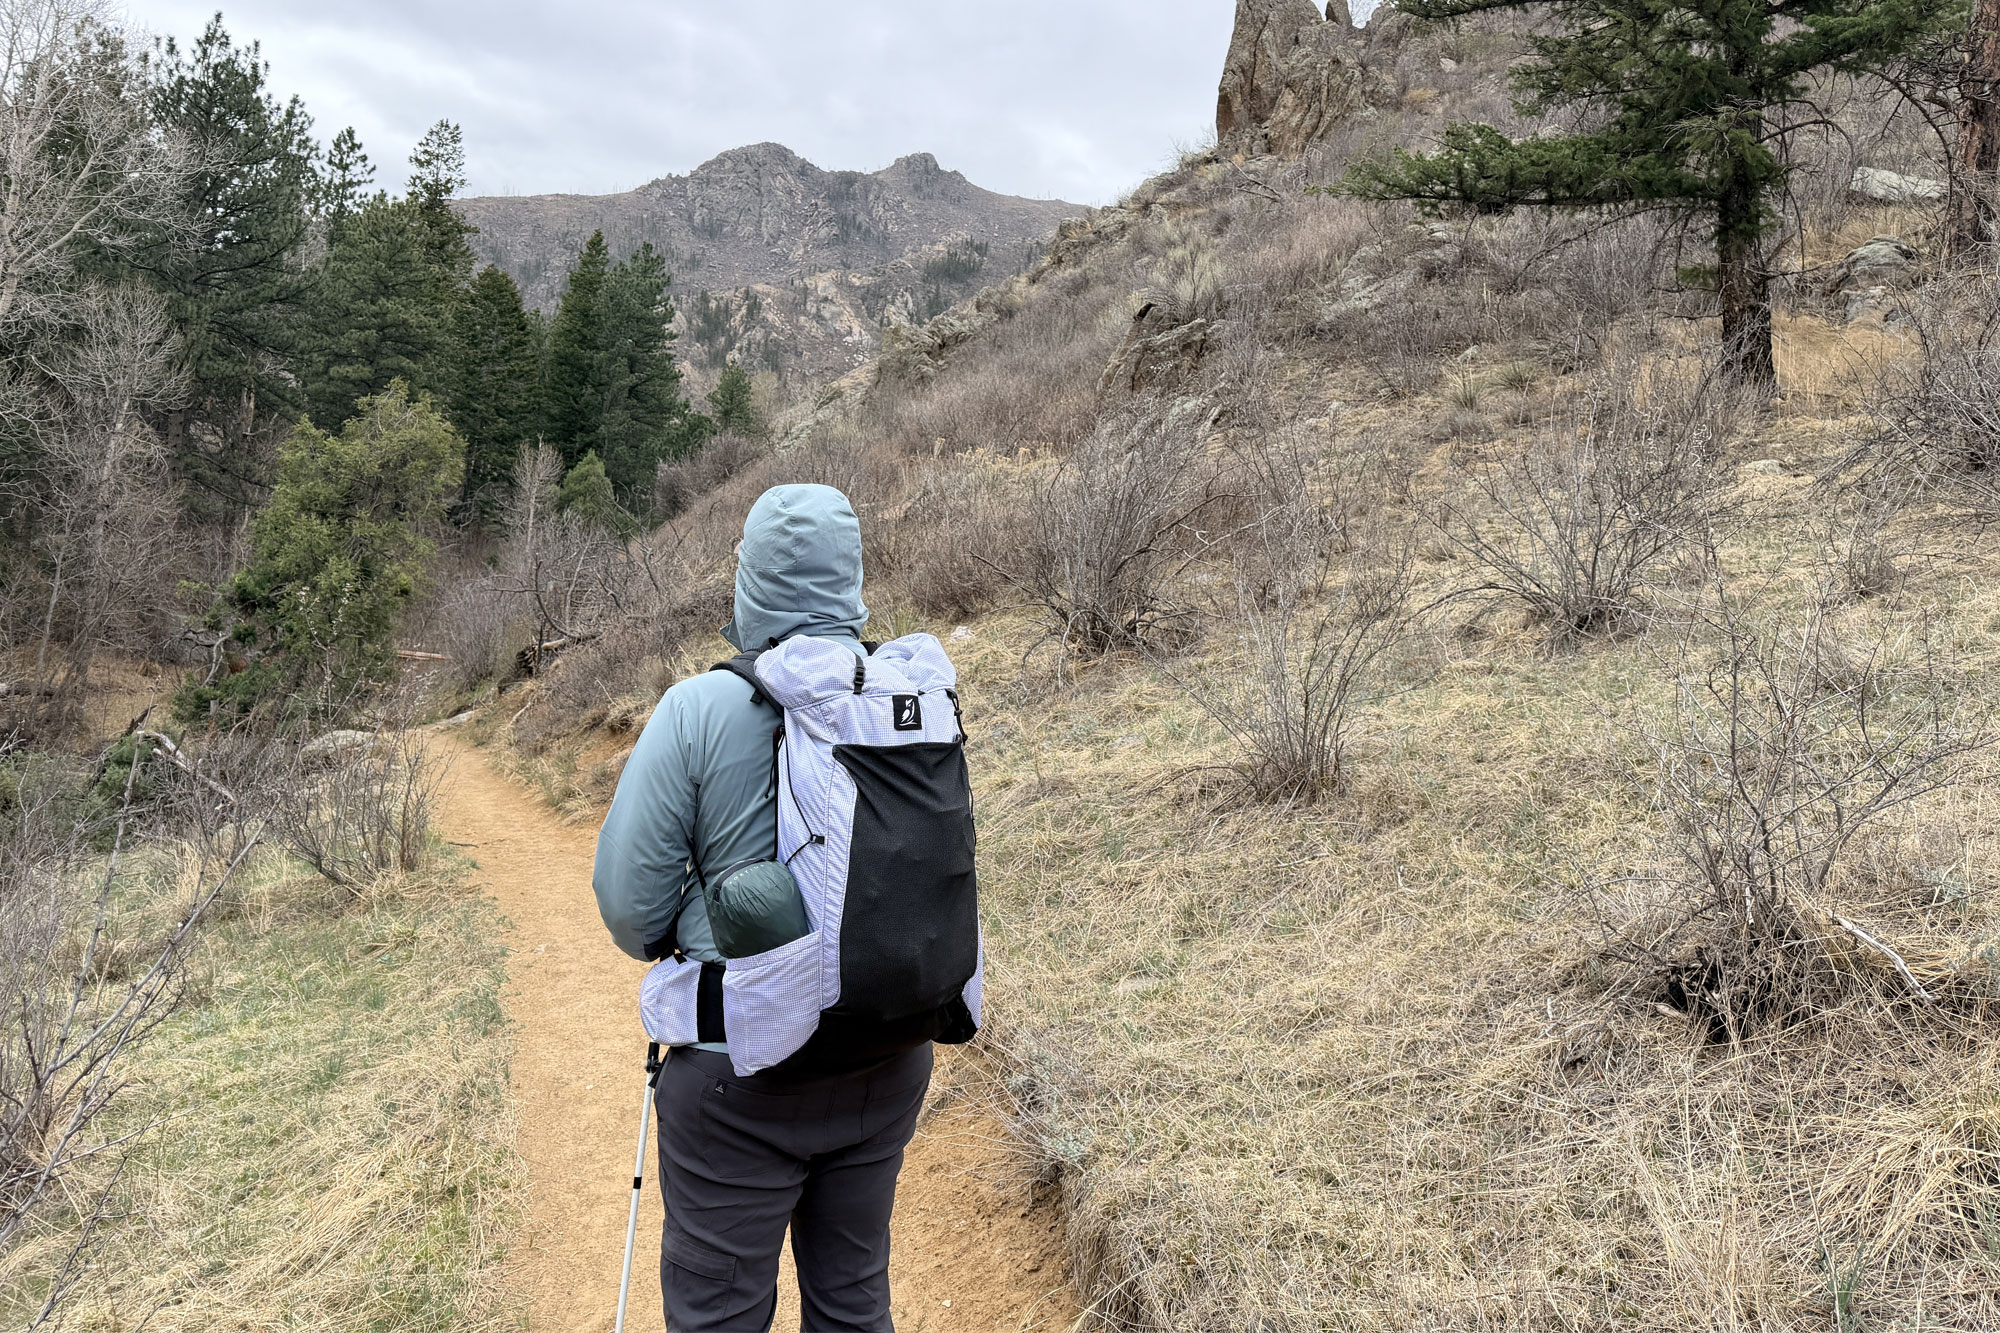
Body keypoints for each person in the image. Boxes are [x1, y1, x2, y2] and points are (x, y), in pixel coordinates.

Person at [593, 484, 935, 1333]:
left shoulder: (700, 708)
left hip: (735, 1075)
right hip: (884, 1053)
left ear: (750, 581)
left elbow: (630, 911)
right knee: (854, 1299)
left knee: (720, 1313)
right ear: (849, 578)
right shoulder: (903, 699)